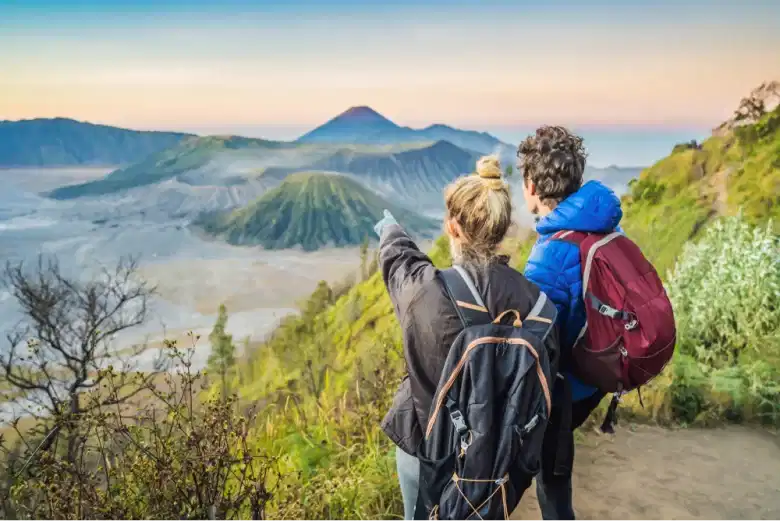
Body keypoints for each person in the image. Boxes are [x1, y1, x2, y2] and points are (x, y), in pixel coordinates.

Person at [374, 155, 559, 521]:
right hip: (501, 467)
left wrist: (390, 231)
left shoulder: (428, 293)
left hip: (429, 454)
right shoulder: (541, 307)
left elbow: (400, 265)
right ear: (502, 227)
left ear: (453, 228)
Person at [519, 126, 623, 521]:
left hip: (570, 388)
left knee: (552, 482)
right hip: (600, 374)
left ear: (531, 186)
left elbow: (541, 341)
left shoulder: (548, 256)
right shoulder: (606, 225)